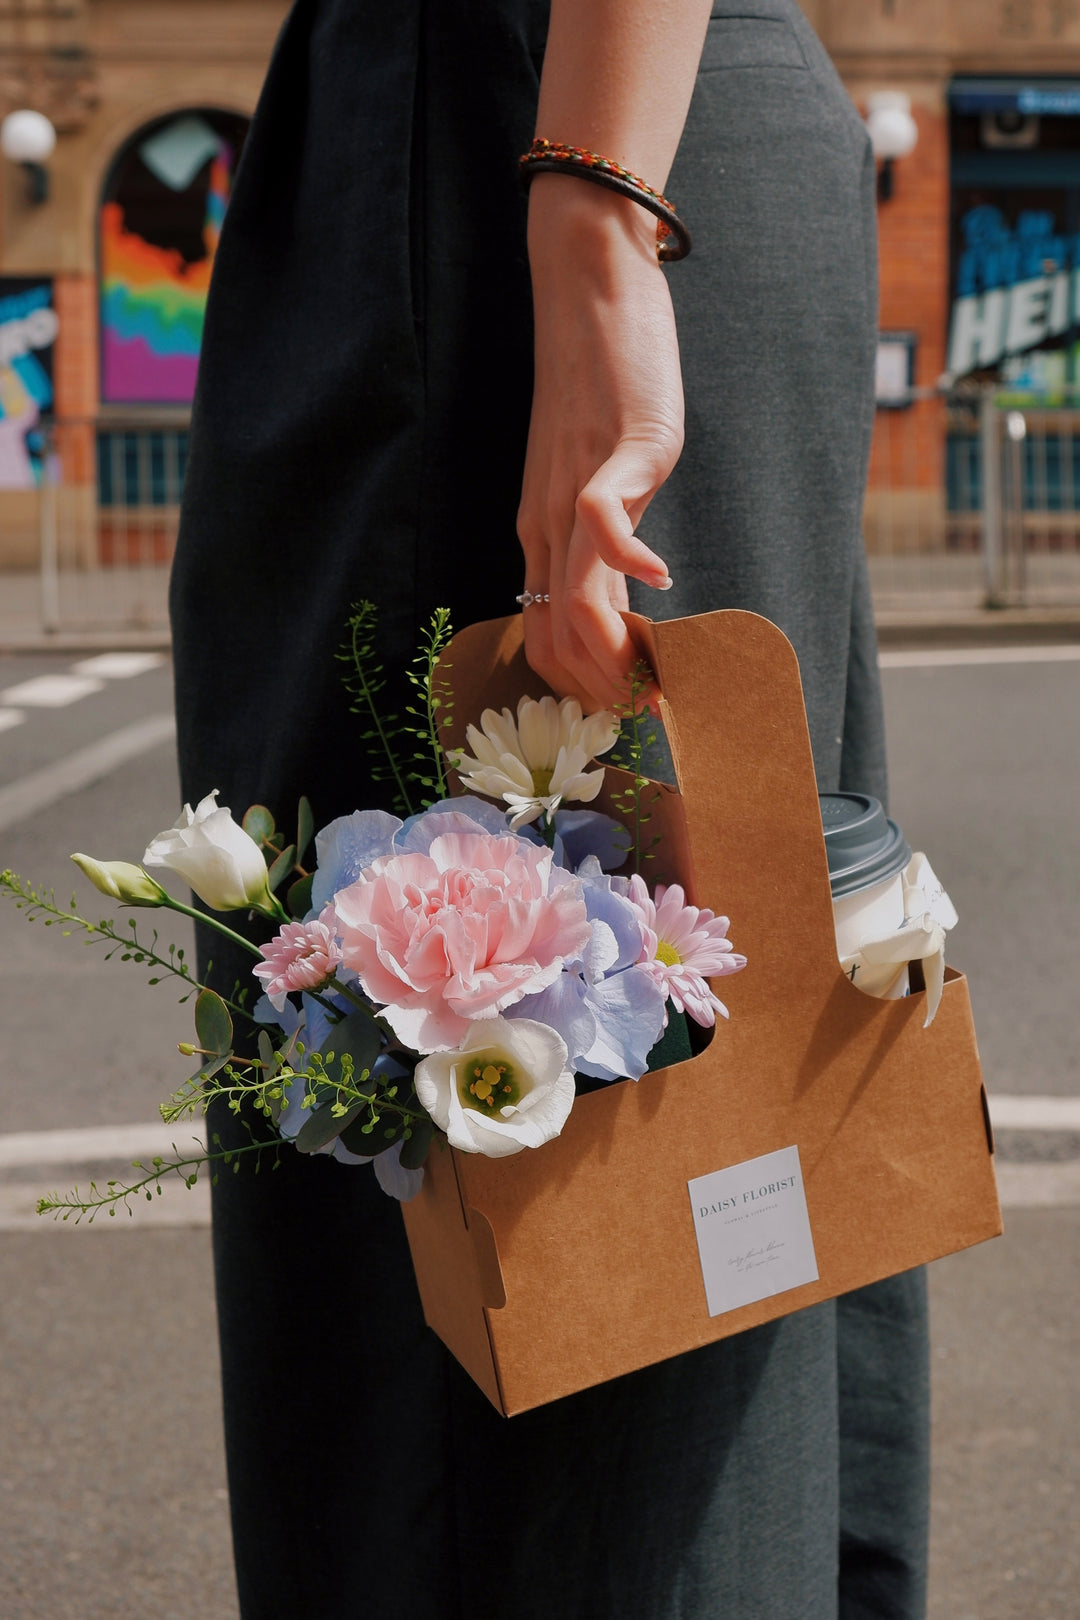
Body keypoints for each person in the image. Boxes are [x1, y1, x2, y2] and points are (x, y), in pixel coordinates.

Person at [170, 1, 928, 1614]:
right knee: (677, 1144)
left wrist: (594, 220)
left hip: (540, 138)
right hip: (509, 147)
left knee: (619, 1243)